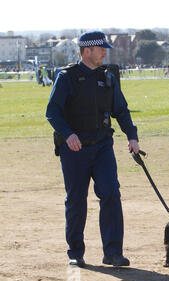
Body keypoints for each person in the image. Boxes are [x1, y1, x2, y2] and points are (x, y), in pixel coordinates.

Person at [45, 31, 140, 267]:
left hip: (102, 147)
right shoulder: (67, 77)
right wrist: (68, 135)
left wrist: (132, 136)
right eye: (101, 49)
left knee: (110, 193)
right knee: (76, 200)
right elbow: (52, 112)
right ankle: (76, 253)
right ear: (87, 51)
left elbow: (121, 110)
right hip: (74, 150)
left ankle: (113, 252)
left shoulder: (107, 78)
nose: (105, 52)